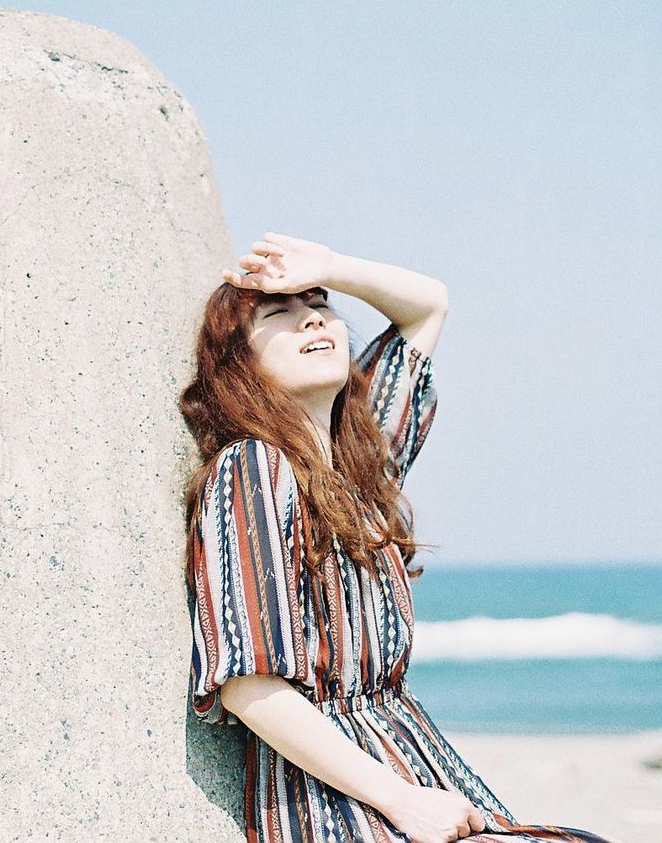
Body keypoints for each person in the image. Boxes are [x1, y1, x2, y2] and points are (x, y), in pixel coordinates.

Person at [180, 234, 623, 843]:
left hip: (416, 767)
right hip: (337, 798)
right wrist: (401, 801)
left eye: (320, 305)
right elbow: (250, 685)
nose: (313, 317)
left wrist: (331, 266)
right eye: (280, 314)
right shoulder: (255, 468)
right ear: (241, 365)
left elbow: (427, 305)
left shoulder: (362, 468)